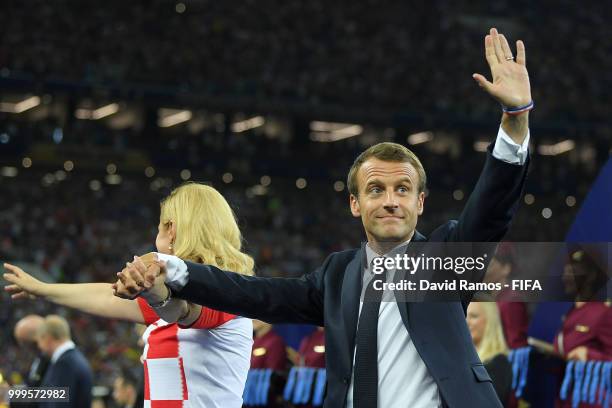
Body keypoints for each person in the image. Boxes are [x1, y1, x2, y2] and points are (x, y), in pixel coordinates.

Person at [116, 27, 532, 408]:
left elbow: (491, 210)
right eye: (375, 189)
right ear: (355, 204)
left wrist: (515, 122)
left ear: (420, 202)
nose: (390, 201)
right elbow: (254, 294)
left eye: (402, 189)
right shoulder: (337, 276)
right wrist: (173, 268)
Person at [3, 183, 255, 407]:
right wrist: (42, 289)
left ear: (171, 228)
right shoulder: (187, 295)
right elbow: (108, 296)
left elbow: (182, 312)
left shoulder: (227, 295)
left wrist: (156, 284)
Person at [36, 315, 93, 408]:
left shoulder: (65, 364)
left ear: (47, 338)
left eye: (39, 340)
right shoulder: (72, 359)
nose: (39, 346)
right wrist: (12, 394)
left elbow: (58, 404)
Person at [466, 302, 513, 406]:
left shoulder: (499, 363)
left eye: (474, 316)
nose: (466, 321)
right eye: (464, 315)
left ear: (490, 321)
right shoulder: (464, 358)